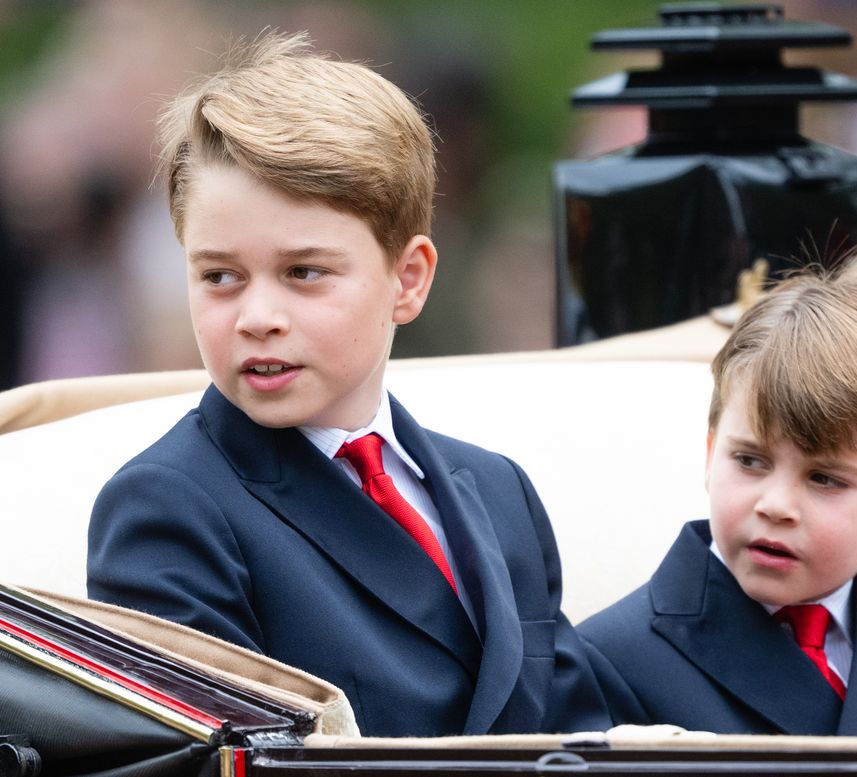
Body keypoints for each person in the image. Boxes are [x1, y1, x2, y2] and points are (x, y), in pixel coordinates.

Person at [87, 32, 609, 738]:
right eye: (219, 276)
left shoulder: (498, 491)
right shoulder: (168, 509)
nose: (258, 317)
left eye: (304, 272)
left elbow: (582, 735)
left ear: (410, 278)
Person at [578, 265, 857, 736]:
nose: (776, 504)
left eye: (824, 478)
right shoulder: (609, 659)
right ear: (710, 455)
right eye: (750, 460)